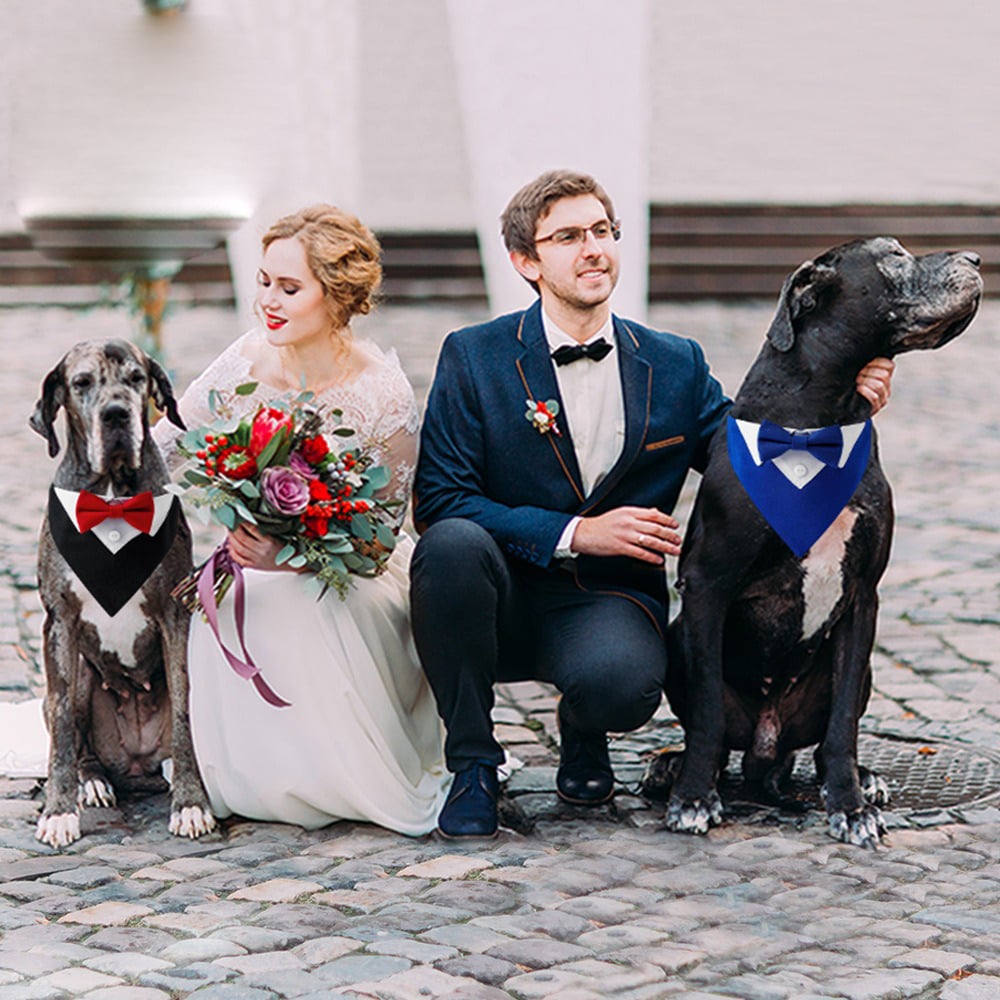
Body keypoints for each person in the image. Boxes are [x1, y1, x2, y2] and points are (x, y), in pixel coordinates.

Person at [409, 169, 895, 838]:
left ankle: (585, 727)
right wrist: (576, 532)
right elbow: (438, 500)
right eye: (569, 236)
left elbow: (755, 454)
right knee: (450, 547)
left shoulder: (675, 363)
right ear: (527, 261)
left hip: (605, 601)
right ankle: (472, 765)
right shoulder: (474, 357)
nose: (594, 249)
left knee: (626, 685)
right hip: (495, 589)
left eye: (604, 232)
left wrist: (843, 390)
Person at [153, 204, 449, 835]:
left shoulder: (380, 394)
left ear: (335, 296)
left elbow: (379, 540)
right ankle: (247, 775)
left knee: (300, 603)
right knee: (231, 603)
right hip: (252, 559)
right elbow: (168, 443)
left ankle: (332, 777)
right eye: (264, 282)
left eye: (289, 288)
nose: (269, 301)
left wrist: (289, 557)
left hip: (353, 573)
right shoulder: (244, 361)